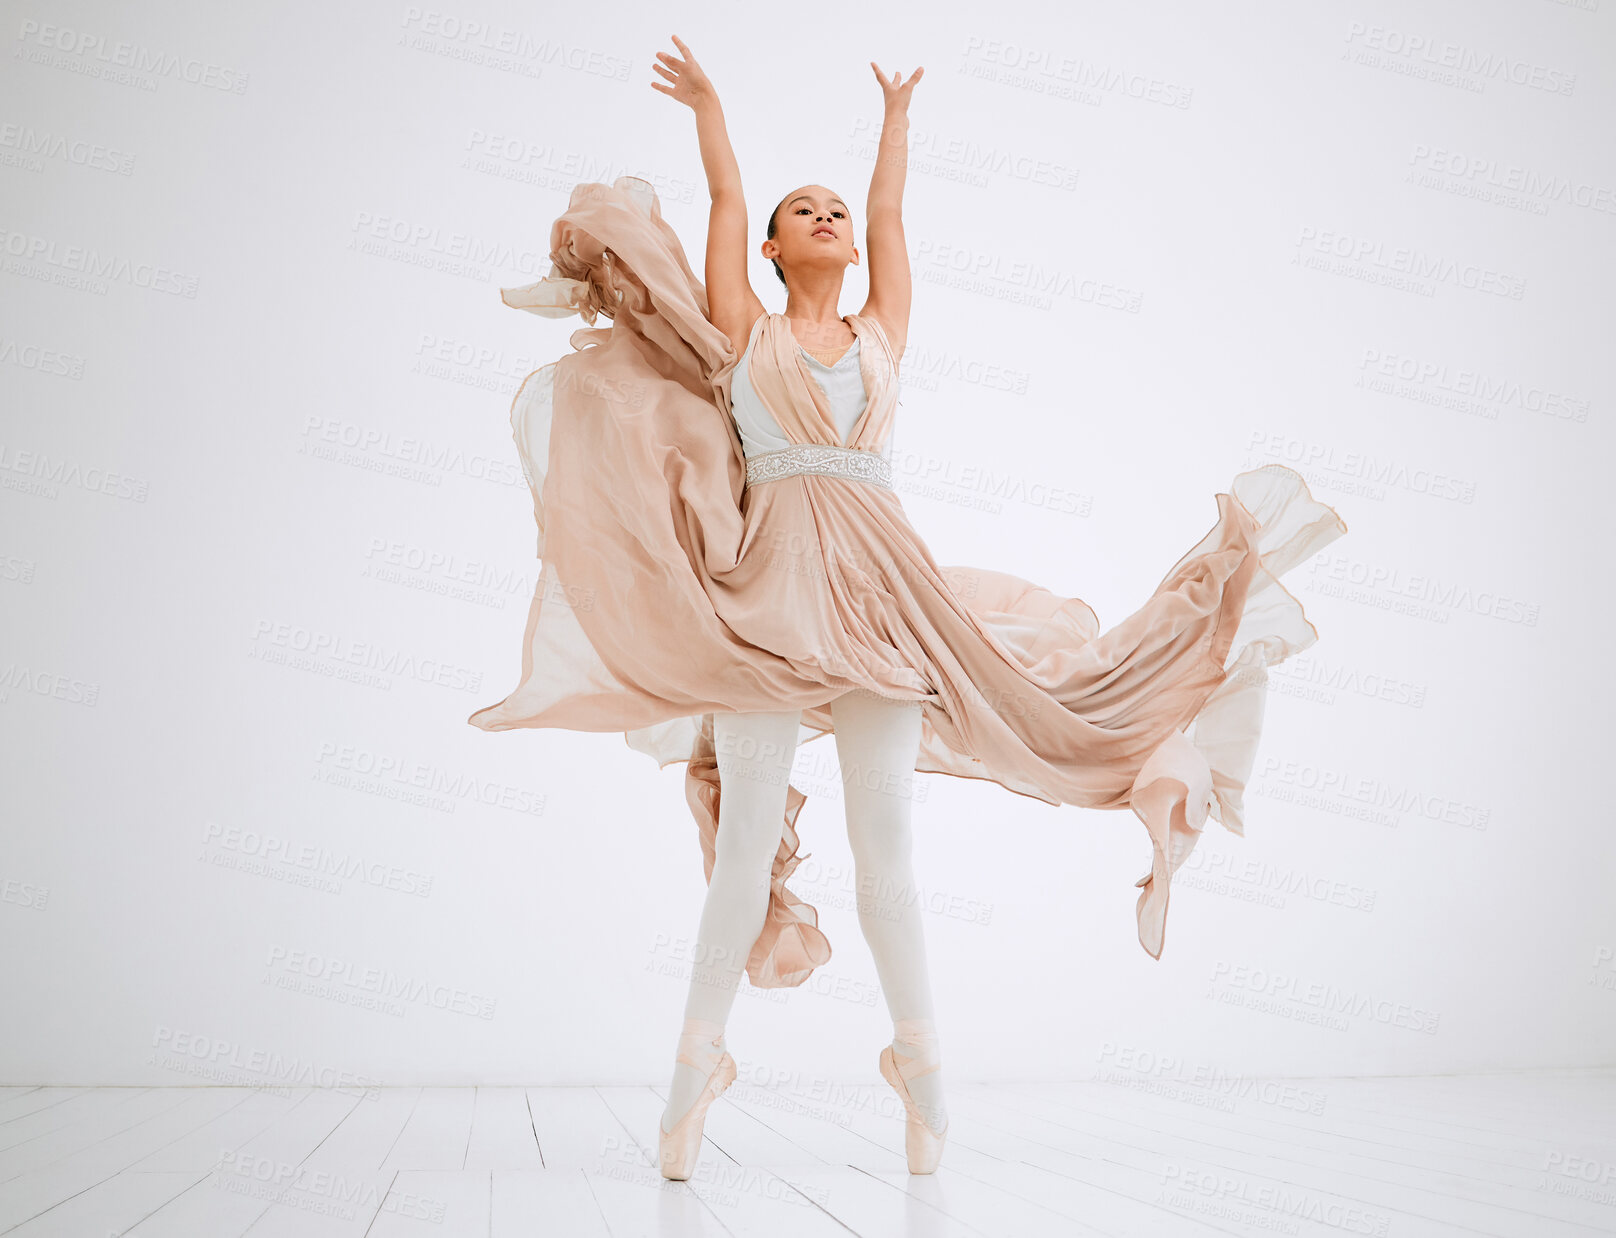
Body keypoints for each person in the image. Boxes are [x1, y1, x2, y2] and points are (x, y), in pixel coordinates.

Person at [467, 35, 1348, 1182]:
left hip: (884, 598)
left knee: (886, 852)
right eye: (804, 210)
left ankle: (922, 1084)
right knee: (742, 857)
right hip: (769, 603)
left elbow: (890, 220)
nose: (825, 215)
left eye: (831, 206)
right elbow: (725, 199)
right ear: (777, 250)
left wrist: (891, 124)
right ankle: (689, 1086)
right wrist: (712, 109)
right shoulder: (745, 328)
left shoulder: (880, 331)